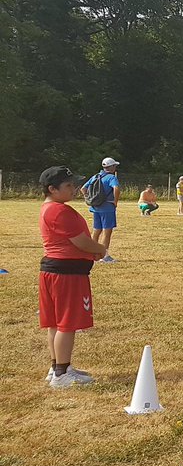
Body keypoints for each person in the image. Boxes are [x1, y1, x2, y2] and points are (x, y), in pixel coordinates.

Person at [38, 166, 109, 388]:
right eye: (68, 186)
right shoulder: (60, 211)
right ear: (52, 189)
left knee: (56, 323)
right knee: (67, 324)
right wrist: (100, 249)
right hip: (66, 274)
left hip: (55, 271)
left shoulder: (49, 209)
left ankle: (58, 366)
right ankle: (61, 373)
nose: (74, 189)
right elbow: (81, 242)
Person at [84, 157, 120, 263]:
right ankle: (105, 256)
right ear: (112, 167)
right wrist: (115, 201)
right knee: (107, 231)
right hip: (107, 208)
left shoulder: (96, 176)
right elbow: (116, 188)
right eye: (114, 165)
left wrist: (89, 198)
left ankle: (91, 253)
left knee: (96, 230)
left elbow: (83, 188)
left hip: (95, 207)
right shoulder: (111, 177)